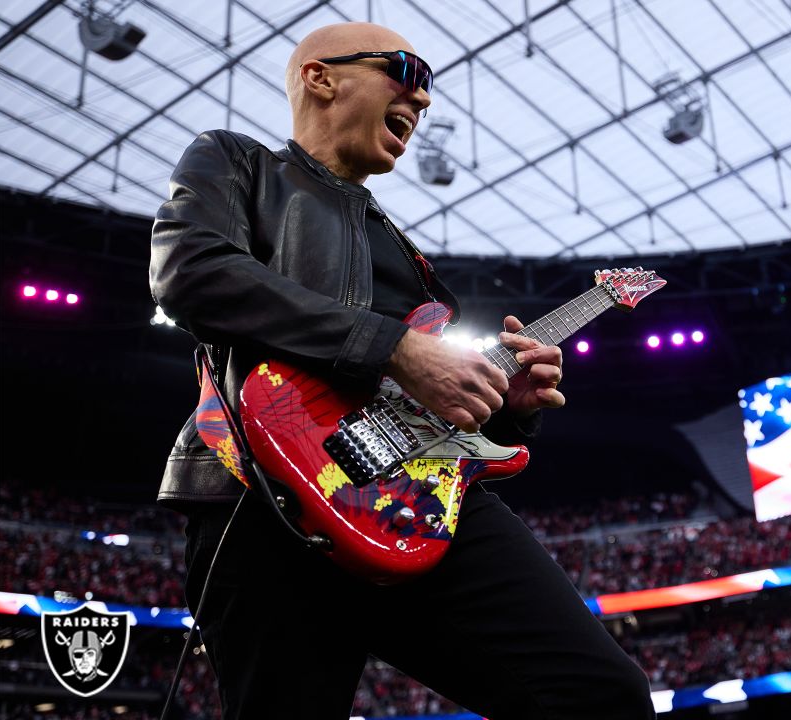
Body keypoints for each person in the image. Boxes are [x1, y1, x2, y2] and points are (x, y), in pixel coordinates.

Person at [149, 22, 654, 719]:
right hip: (262, 499)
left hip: (423, 506)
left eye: (428, 93)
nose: (421, 101)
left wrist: (507, 402)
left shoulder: (410, 258)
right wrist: (392, 346)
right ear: (321, 78)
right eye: (405, 71)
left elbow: (437, 403)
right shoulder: (236, 162)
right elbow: (190, 272)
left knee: (601, 694)